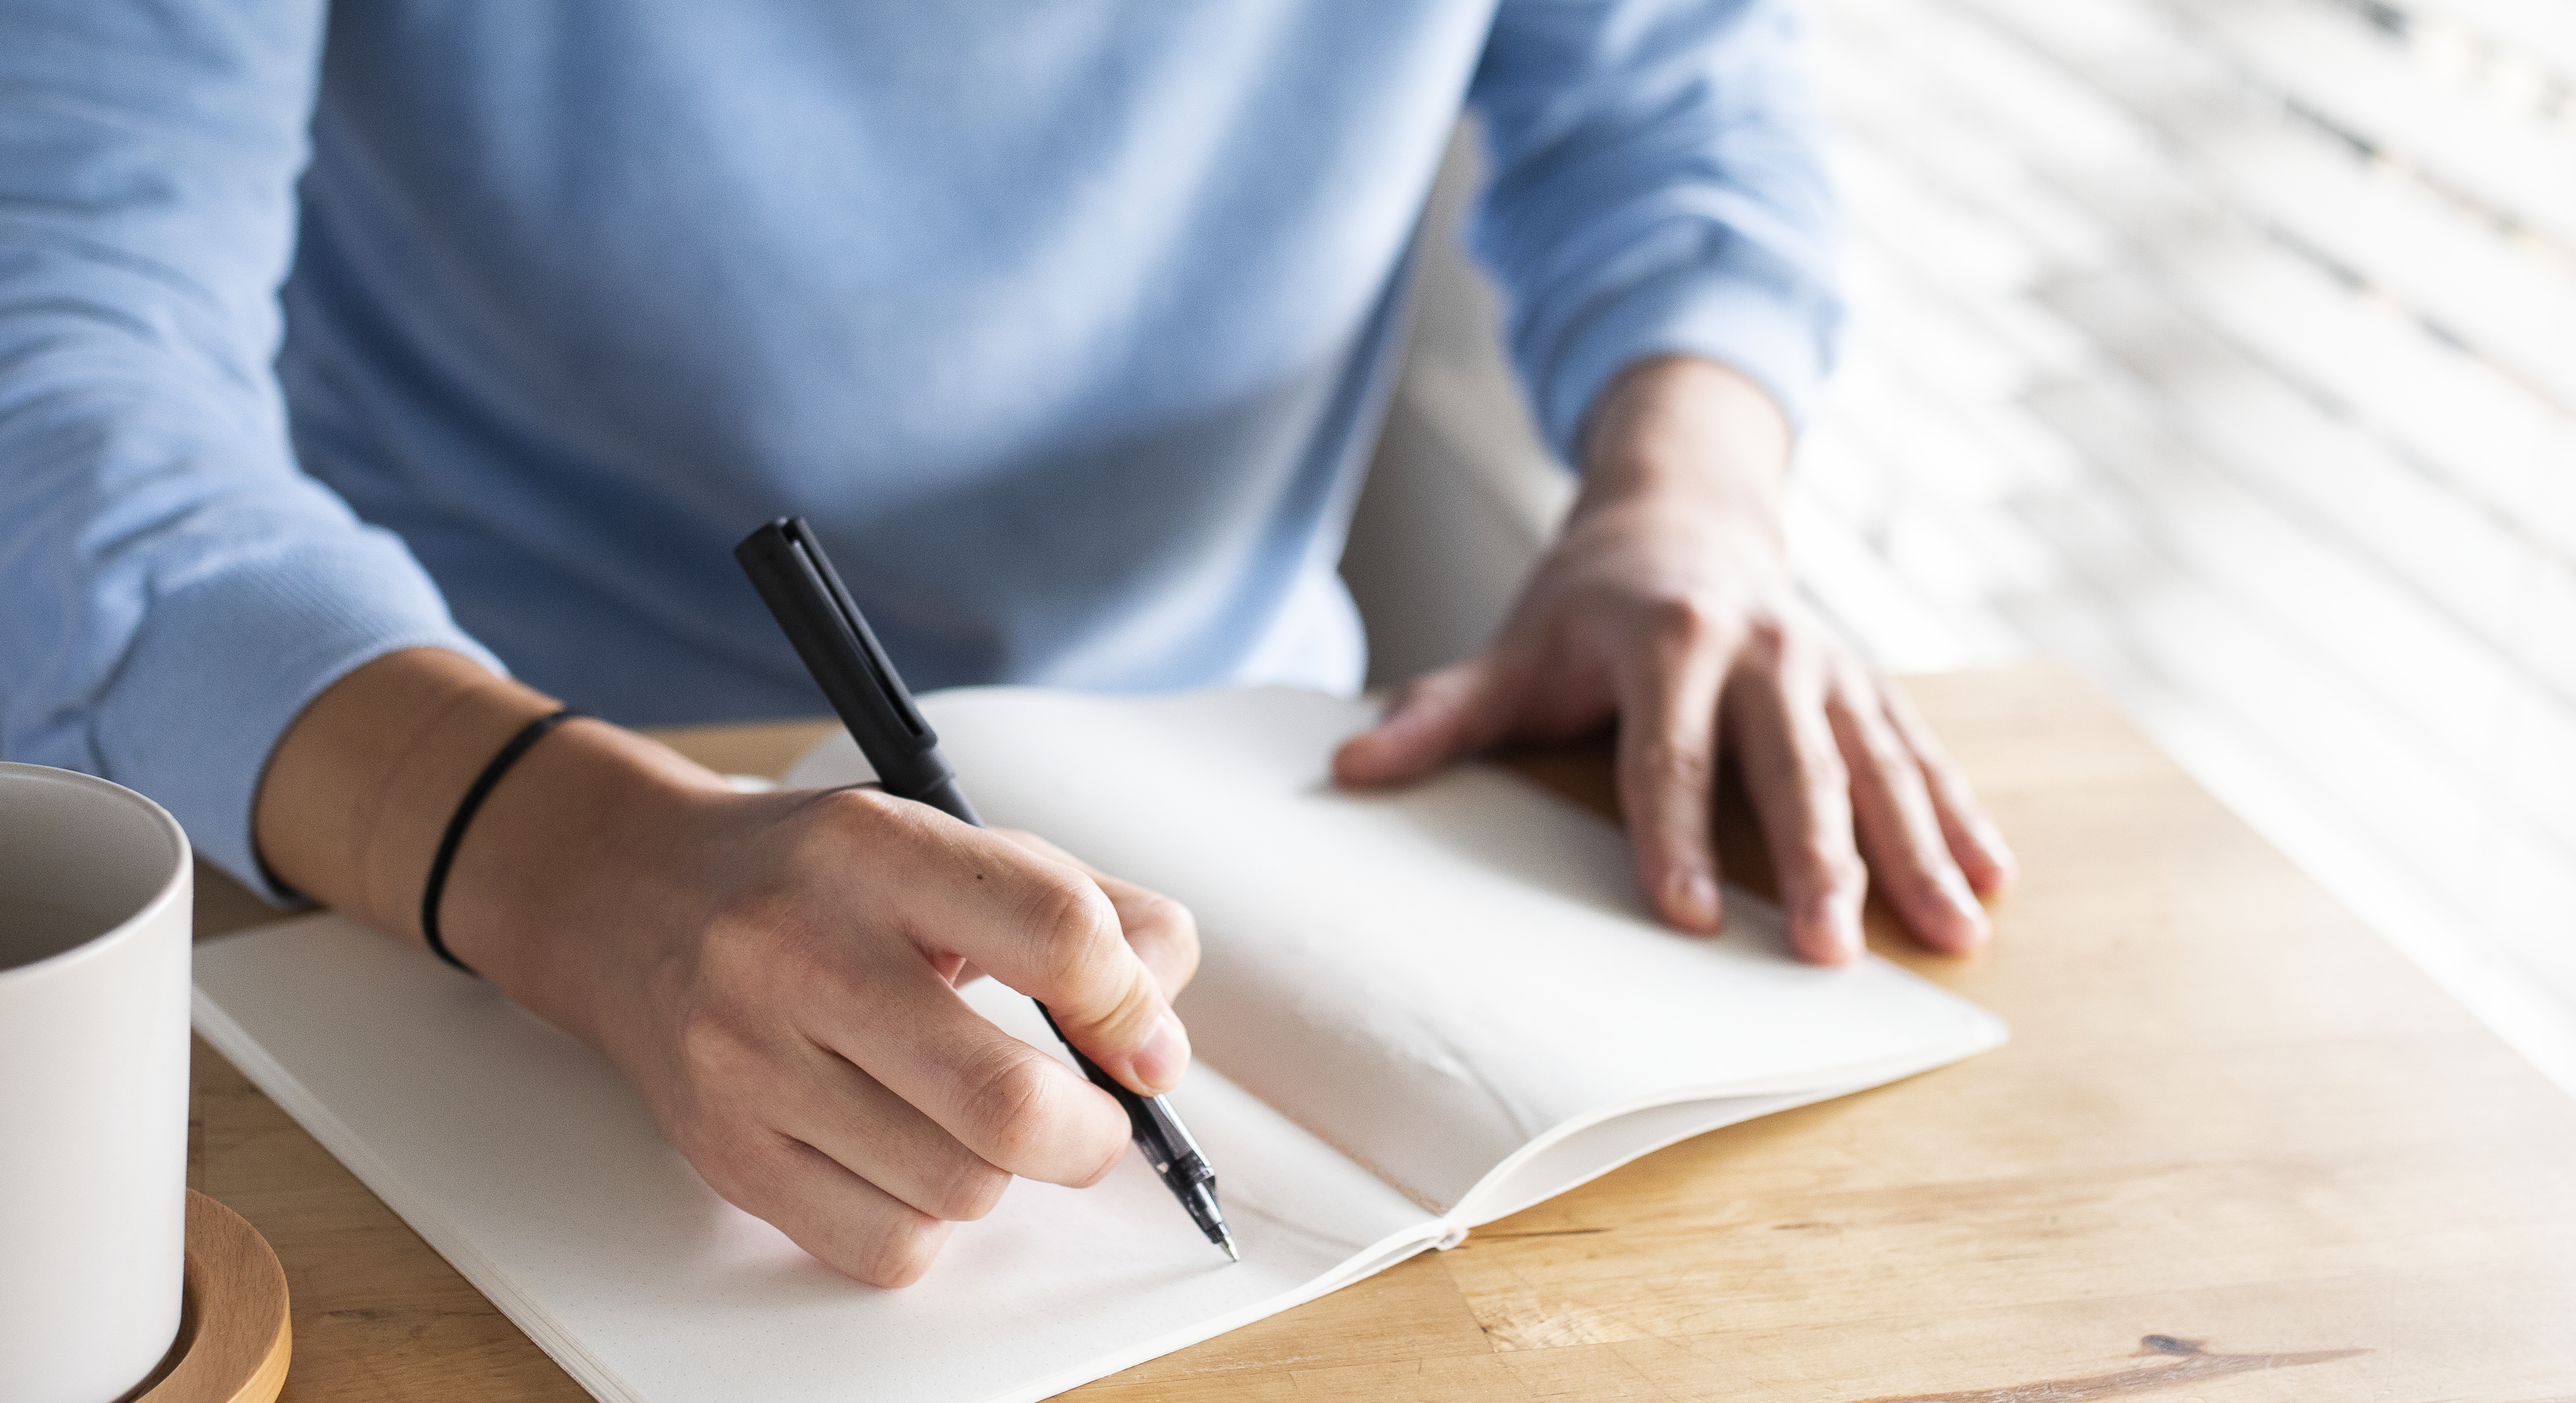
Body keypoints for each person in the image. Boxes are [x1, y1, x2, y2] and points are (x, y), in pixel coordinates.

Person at [0, 2, 2013, 1285]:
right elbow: (54, 374)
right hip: (401, 817)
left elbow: (1673, 100)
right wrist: (567, 862)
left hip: (1252, 762)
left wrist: (1689, 491)